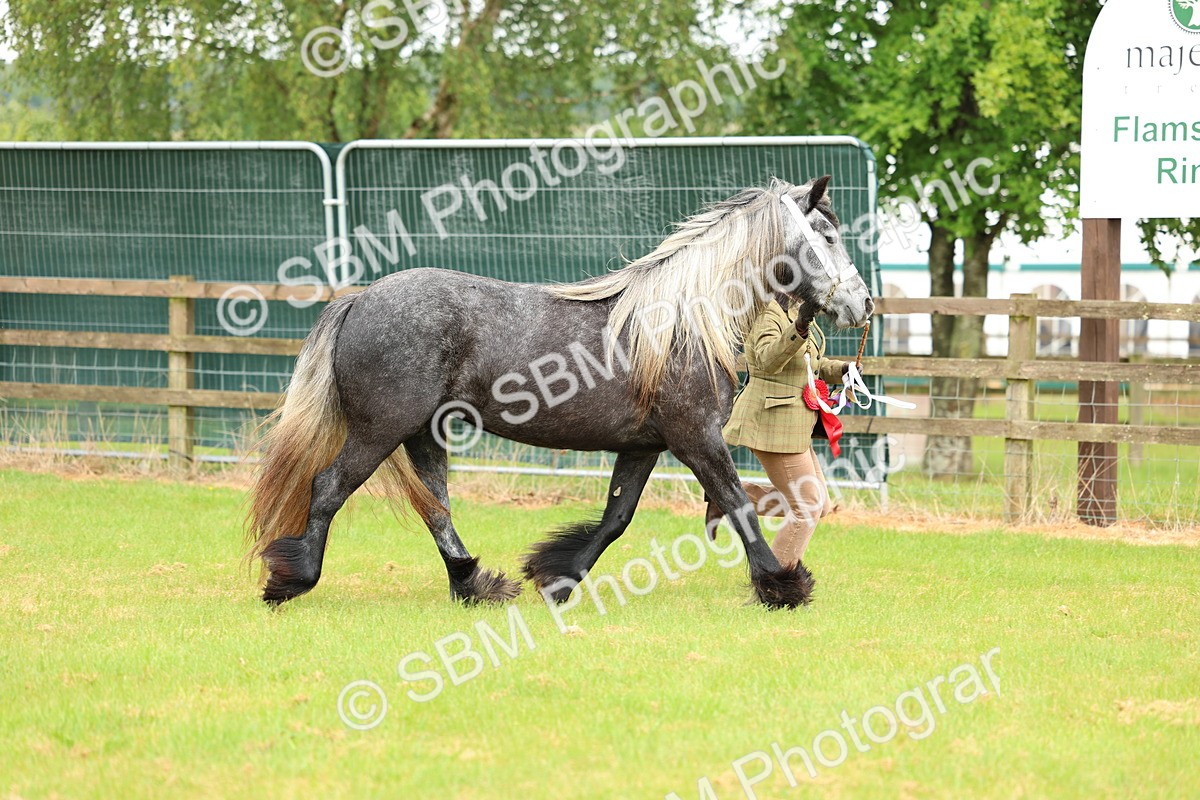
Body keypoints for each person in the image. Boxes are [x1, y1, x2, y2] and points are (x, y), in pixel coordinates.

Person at [706, 295, 850, 568]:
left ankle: (726, 496)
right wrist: (798, 328)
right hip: (771, 420)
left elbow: (811, 363)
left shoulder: (795, 309)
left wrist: (843, 371)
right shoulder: (763, 314)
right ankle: (777, 581)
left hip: (796, 423)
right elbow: (767, 360)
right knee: (807, 506)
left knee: (820, 506)